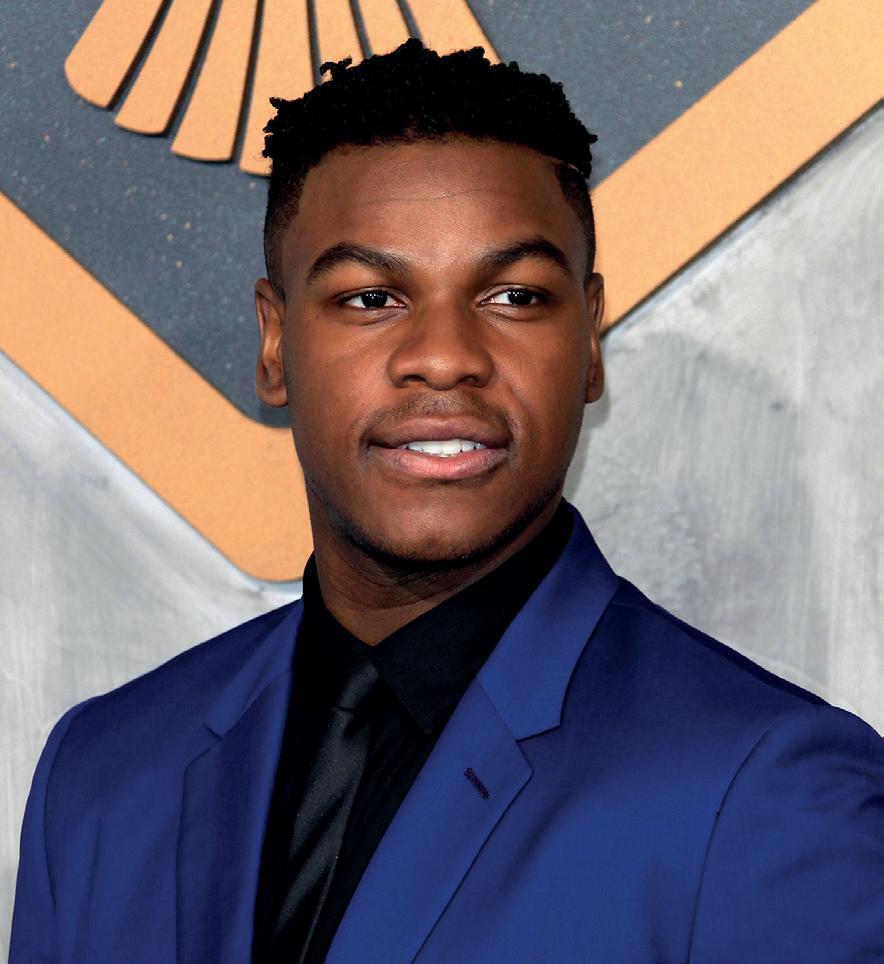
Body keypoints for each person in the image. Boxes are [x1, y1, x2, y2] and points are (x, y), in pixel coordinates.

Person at [10, 40, 883, 964]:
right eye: (371, 298)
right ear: (273, 345)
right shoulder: (100, 775)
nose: (444, 356)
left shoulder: (775, 795)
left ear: (589, 343)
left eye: (513, 295)